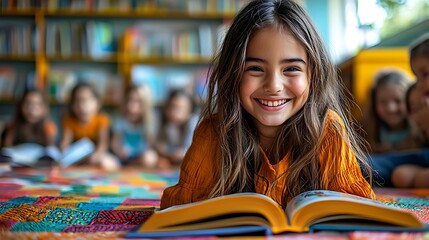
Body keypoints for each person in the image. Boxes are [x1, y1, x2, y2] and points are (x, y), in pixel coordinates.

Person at [161, 0, 374, 210]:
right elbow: (181, 210)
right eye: (255, 68)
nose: (274, 86)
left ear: (314, 75)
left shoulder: (327, 130)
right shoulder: (213, 132)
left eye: (291, 68)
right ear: (231, 73)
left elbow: (355, 208)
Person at [371, 33, 429, 188]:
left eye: (425, 74)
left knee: (375, 165)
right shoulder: (375, 127)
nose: (421, 84)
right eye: (417, 77)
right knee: (399, 174)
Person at [59, 82, 120, 171]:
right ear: (71, 105)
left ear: (98, 103)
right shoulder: (69, 121)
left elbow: (103, 144)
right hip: (79, 158)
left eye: (87, 100)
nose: (82, 106)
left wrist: (97, 155)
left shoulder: (101, 119)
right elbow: (65, 142)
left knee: (105, 162)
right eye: (77, 101)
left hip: (97, 156)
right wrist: (62, 153)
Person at [362, 69, 423, 153]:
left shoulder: (422, 132)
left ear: (410, 101)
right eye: (383, 102)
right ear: (374, 104)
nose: (391, 108)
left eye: (398, 101)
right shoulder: (368, 131)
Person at [111, 85, 158, 168]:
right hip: (122, 158)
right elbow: (114, 142)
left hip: (139, 158)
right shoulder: (121, 119)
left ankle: (131, 166)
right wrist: (119, 151)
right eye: (129, 100)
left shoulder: (149, 122)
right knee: (106, 162)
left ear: (145, 103)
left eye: (138, 101)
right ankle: (128, 166)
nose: (131, 105)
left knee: (150, 157)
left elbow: (151, 144)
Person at [155, 89, 198, 167]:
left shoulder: (193, 123)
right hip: (171, 159)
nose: (173, 112)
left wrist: (168, 152)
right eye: (170, 107)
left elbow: (188, 150)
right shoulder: (164, 123)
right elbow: (158, 145)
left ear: (190, 110)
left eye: (178, 108)